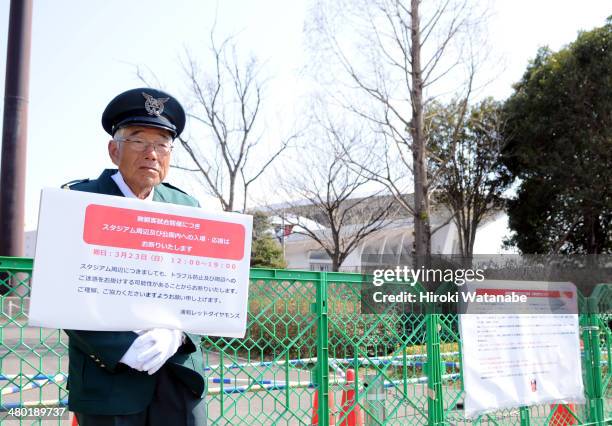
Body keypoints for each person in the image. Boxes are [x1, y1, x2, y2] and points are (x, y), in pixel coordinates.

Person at [62, 88, 206, 426]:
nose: (152, 154)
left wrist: (178, 334)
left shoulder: (189, 208)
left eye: (162, 144)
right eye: (139, 141)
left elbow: (205, 290)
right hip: (107, 379)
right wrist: (120, 347)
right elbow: (62, 292)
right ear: (114, 150)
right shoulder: (77, 201)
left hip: (179, 376)